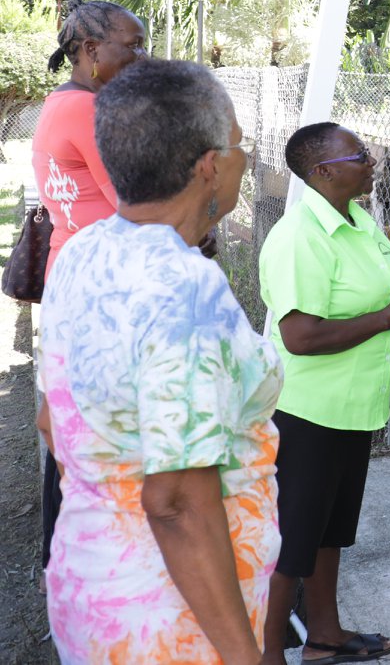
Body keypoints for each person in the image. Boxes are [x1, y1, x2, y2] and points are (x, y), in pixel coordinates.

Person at [36, 59, 278, 664]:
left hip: (89, 589)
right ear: (209, 166)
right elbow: (176, 503)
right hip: (172, 626)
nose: (244, 160)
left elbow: (53, 421)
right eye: (240, 146)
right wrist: (244, 657)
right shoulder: (185, 291)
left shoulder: (83, 253)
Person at [257, 123, 390, 665]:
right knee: (292, 542)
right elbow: (300, 337)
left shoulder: (356, 219)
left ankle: (324, 636)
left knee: (329, 530)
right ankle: (265, 654)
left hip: (352, 405)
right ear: (323, 171)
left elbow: (374, 299)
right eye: (359, 155)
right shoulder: (298, 237)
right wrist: (385, 318)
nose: (372, 159)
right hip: (307, 412)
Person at [28, 0, 147, 573]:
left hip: (76, 282)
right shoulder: (89, 112)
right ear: (92, 50)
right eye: (133, 46)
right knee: (98, 438)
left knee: (74, 432)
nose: (142, 57)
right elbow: (141, 204)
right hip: (103, 294)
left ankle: (65, 561)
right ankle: (91, 568)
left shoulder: (62, 103)